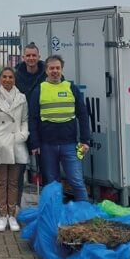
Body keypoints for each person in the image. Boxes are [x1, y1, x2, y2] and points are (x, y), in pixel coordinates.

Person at [28, 55, 91, 201]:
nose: (55, 71)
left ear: (62, 70)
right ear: (46, 70)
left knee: (77, 181)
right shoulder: (39, 90)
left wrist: (85, 141)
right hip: (46, 146)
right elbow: (33, 119)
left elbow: (83, 115)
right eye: (52, 68)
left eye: (58, 68)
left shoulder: (71, 88)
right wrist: (35, 143)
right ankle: (54, 215)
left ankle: (86, 218)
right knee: (52, 184)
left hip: (70, 145)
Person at [0, 68, 29, 232]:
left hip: (16, 143)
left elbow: (24, 120)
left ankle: (13, 215)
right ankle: (3, 215)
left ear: (14, 80)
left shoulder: (21, 98)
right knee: (1, 182)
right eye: (4, 77)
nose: (7, 80)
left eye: (10, 77)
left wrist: (23, 135)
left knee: (14, 182)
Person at [14, 42, 47, 206]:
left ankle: (47, 206)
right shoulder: (15, 76)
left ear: (39, 57)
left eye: (34, 55)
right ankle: (15, 206)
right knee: (19, 169)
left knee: (47, 169)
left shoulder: (47, 74)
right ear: (23, 57)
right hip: (21, 127)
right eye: (28, 55)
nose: (31, 58)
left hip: (43, 129)